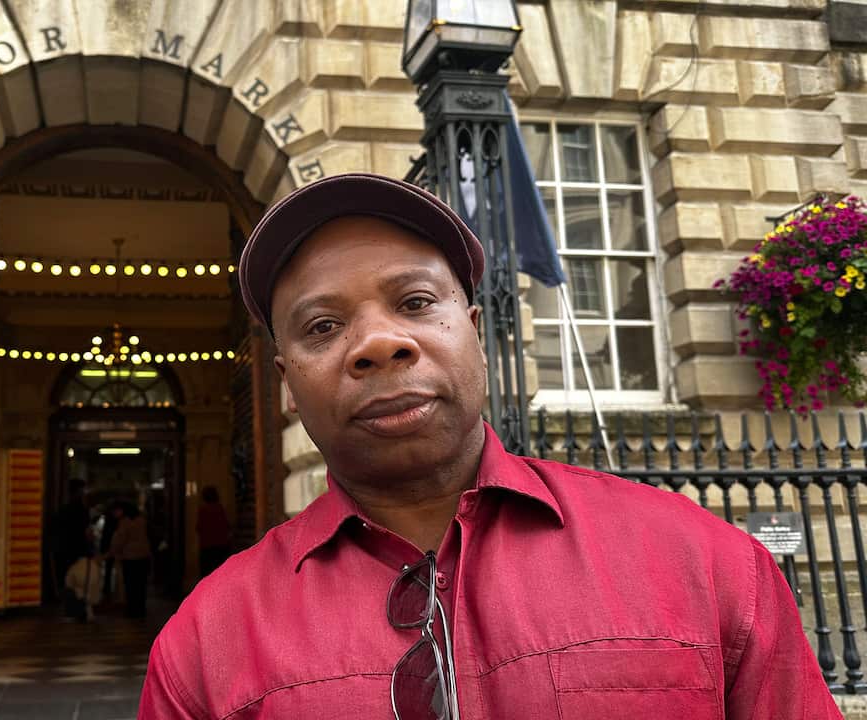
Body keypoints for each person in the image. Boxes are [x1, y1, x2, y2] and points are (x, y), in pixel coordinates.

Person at [139, 173, 840, 719]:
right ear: (286, 385)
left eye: (415, 303)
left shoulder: (706, 564)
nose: (380, 343)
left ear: (474, 328)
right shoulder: (206, 642)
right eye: (323, 326)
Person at [108, 501, 151, 619]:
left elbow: (120, 539)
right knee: (141, 585)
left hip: (129, 557)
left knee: (130, 585)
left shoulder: (125, 522)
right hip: (143, 556)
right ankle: (141, 609)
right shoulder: (142, 520)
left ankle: (132, 610)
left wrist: (113, 552)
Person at [196, 486, 232, 578]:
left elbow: (199, 528)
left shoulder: (203, 511)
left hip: (207, 546)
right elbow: (227, 526)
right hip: (221, 545)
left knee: (206, 574)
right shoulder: (220, 509)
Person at [63, 548, 104, 622]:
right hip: (91, 596)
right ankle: (86, 611)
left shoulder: (75, 566)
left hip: (79, 596)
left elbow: (68, 582)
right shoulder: (95, 566)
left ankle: (77, 612)